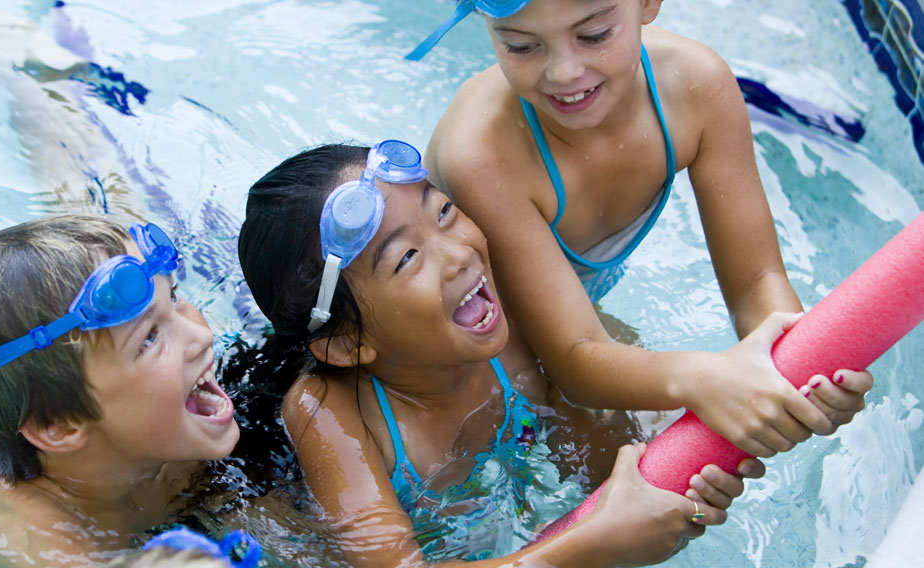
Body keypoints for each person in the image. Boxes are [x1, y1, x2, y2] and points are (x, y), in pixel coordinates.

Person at [236, 139, 838, 567]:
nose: (460, 253)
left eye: (443, 211)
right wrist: (590, 548)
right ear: (347, 342)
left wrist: (679, 489)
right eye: (408, 258)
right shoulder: (328, 414)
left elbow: (612, 465)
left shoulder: (521, 337)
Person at [417, 0, 873, 458]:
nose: (564, 72)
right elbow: (573, 360)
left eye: (594, 35)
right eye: (520, 45)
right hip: (468, 366)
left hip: (572, 330)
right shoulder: (482, 156)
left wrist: (801, 365)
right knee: (641, 485)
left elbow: (758, 282)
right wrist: (698, 378)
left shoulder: (694, 87)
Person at [0, 215, 242, 566]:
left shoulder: (162, 428)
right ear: (59, 426)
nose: (202, 336)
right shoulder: (46, 544)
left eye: (173, 296)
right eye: (148, 338)